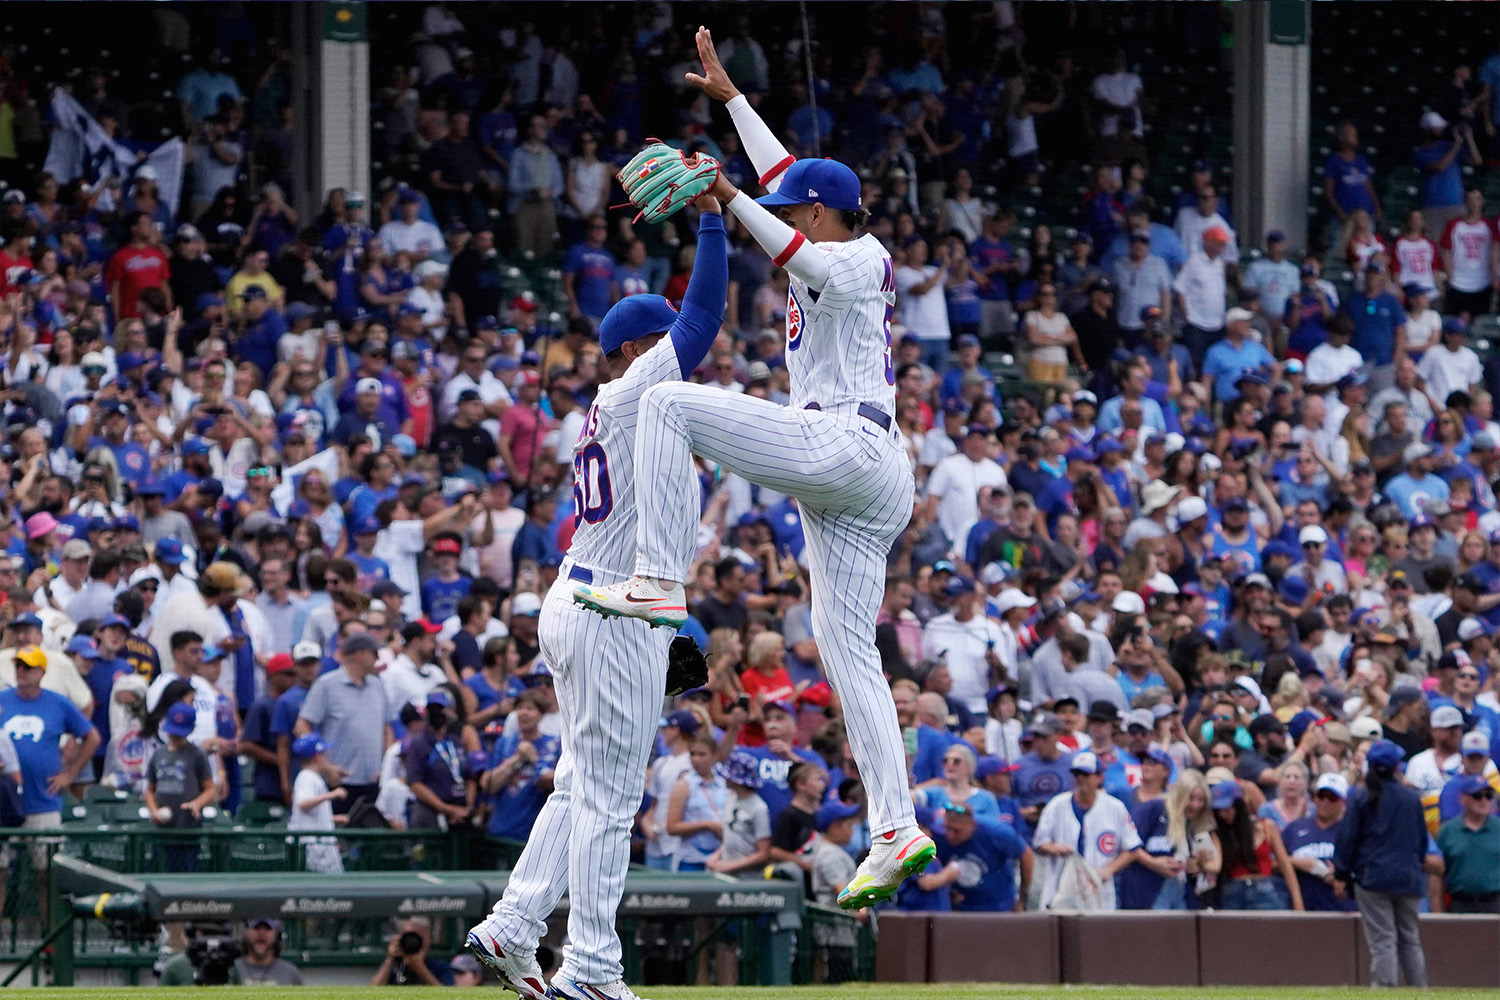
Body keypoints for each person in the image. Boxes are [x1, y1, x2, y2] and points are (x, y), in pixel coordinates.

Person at [573, 27, 932, 913]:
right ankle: (895, 827)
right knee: (850, 651)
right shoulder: (817, 218)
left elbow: (796, 244)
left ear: (820, 211)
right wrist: (733, 103)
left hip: (846, 443)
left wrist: (726, 194)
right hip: (861, 473)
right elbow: (784, 182)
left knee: (665, 403)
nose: (789, 205)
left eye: (797, 203)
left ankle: (659, 580)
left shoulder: (858, 255)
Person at [465, 180, 728, 1000]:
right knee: (611, 802)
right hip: (610, 610)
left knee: (581, 785)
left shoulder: (626, 408)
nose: (676, 355)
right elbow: (703, 319)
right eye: (660, 344)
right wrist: (715, 219)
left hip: (587, 599)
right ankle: (589, 970)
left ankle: (513, 921)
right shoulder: (635, 391)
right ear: (637, 349)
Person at [1334, 740, 1430, 988]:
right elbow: (1421, 841)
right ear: (1397, 766)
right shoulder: (1411, 798)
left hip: (1373, 877)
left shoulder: (1360, 796)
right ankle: (1419, 990)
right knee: (1410, 939)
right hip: (1408, 878)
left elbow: (1347, 838)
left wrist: (1342, 873)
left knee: (1383, 939)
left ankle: (1385, 990)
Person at [1, 645, 99, 831]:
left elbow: (92, 738)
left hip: (43, 802)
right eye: (18, 666)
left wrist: (70, 774)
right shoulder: (2, 700)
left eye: (27, 667)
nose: (21, 671)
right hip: (5, 803)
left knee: (45, 858)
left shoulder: (57, 702)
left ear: (41, 672)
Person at [1032, 751, 1142, 911]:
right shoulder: (1057, 805)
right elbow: (1039, 843)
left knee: (1098, 934)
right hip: (1060, 887)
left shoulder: (1114, 807)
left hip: (1098, 887)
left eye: (1085, 774)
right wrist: (1054, 848)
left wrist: (1109, 869)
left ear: (1099, 777)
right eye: (1076, 774)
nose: (1080, 778)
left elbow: (1133, 848)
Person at [144, 701, 215, 872]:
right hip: (162, 830)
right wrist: (154, 811)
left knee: (186, 869)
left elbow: (210, 788)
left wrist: (197, 803)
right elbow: (149, 789)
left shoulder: (196, 755)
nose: (175, 736)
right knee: (158, 868)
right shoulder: (159, 753)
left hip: (187, 829)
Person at [1282, 773, 1357, 912]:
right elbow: (1272, 862)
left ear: (1343, 802)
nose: (1325, 802)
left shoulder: (1351, 831)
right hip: (1303, 907)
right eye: (1321, 796)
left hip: (1342, 909)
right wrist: (1297, 863)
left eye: (1332, 798)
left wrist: (1342, 873)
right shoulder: (1294, 828)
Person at [1435, 774, 1500, 914]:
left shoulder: (1498, 828)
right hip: (1460, 904)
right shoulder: (1448, 831)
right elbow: (1437, 873)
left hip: (1495, 903)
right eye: (1477, 796)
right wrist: (1436, 911)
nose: (1483, 800)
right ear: (1463, 799)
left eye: (1488, 795)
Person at [372, 917, 454, 987]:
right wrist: (390, 959)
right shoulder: (394, 966)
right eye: (408, 937)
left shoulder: (440, 967)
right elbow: (374, 991)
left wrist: (420, 968)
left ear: (428, 939)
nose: (411, 941)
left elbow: (445, 994)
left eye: (416, 937)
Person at [230, 919, 304, 985]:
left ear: (276, 934)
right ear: (246, 932)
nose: (261, 933)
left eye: (267, 928)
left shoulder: (290, 972)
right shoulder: (234, 969)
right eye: (257, 928)